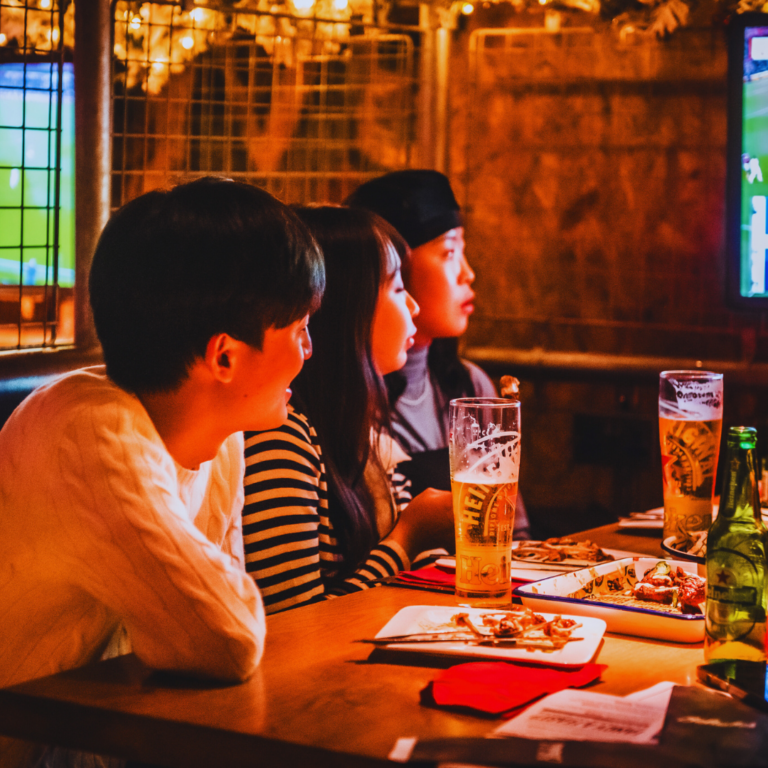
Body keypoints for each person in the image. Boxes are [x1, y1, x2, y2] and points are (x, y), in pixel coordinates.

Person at [0, 177, 324, 768]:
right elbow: (225, 635)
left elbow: (219, 646)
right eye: (300, 328)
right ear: (224, 356)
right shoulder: (89, 431)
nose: (309, 350)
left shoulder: (221, 440)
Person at [242, 206, 454, 614]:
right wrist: (409, 537)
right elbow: (293, 626)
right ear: (342, 308)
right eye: (396, 288)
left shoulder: (367, 434)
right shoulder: (280, 437)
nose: (413, 307)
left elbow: (407, 577)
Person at [346, 170, 530, 538]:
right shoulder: (350, 402)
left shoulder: (469, 384)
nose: (468, 273)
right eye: (449, 252)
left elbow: (515, 531)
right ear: (393, 269)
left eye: (464, 251)